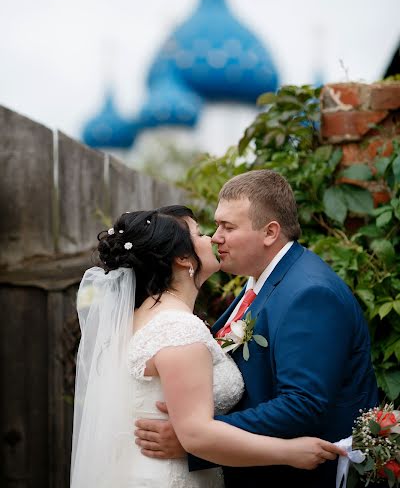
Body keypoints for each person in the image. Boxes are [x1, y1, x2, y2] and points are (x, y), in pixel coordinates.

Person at [70, 204, 344, 488]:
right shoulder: (177, 328)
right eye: (200, 233)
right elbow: (196, 435)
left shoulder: (143, 318)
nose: (212, 239)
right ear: (183, 258)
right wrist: (290, 452)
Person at [134, 172, 379, 488]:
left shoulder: (311, 293)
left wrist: (195, 439)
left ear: (270, 232)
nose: (216, 236)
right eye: (217, 224)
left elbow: (302, 404)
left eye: (229, 227)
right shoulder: (260, 281)